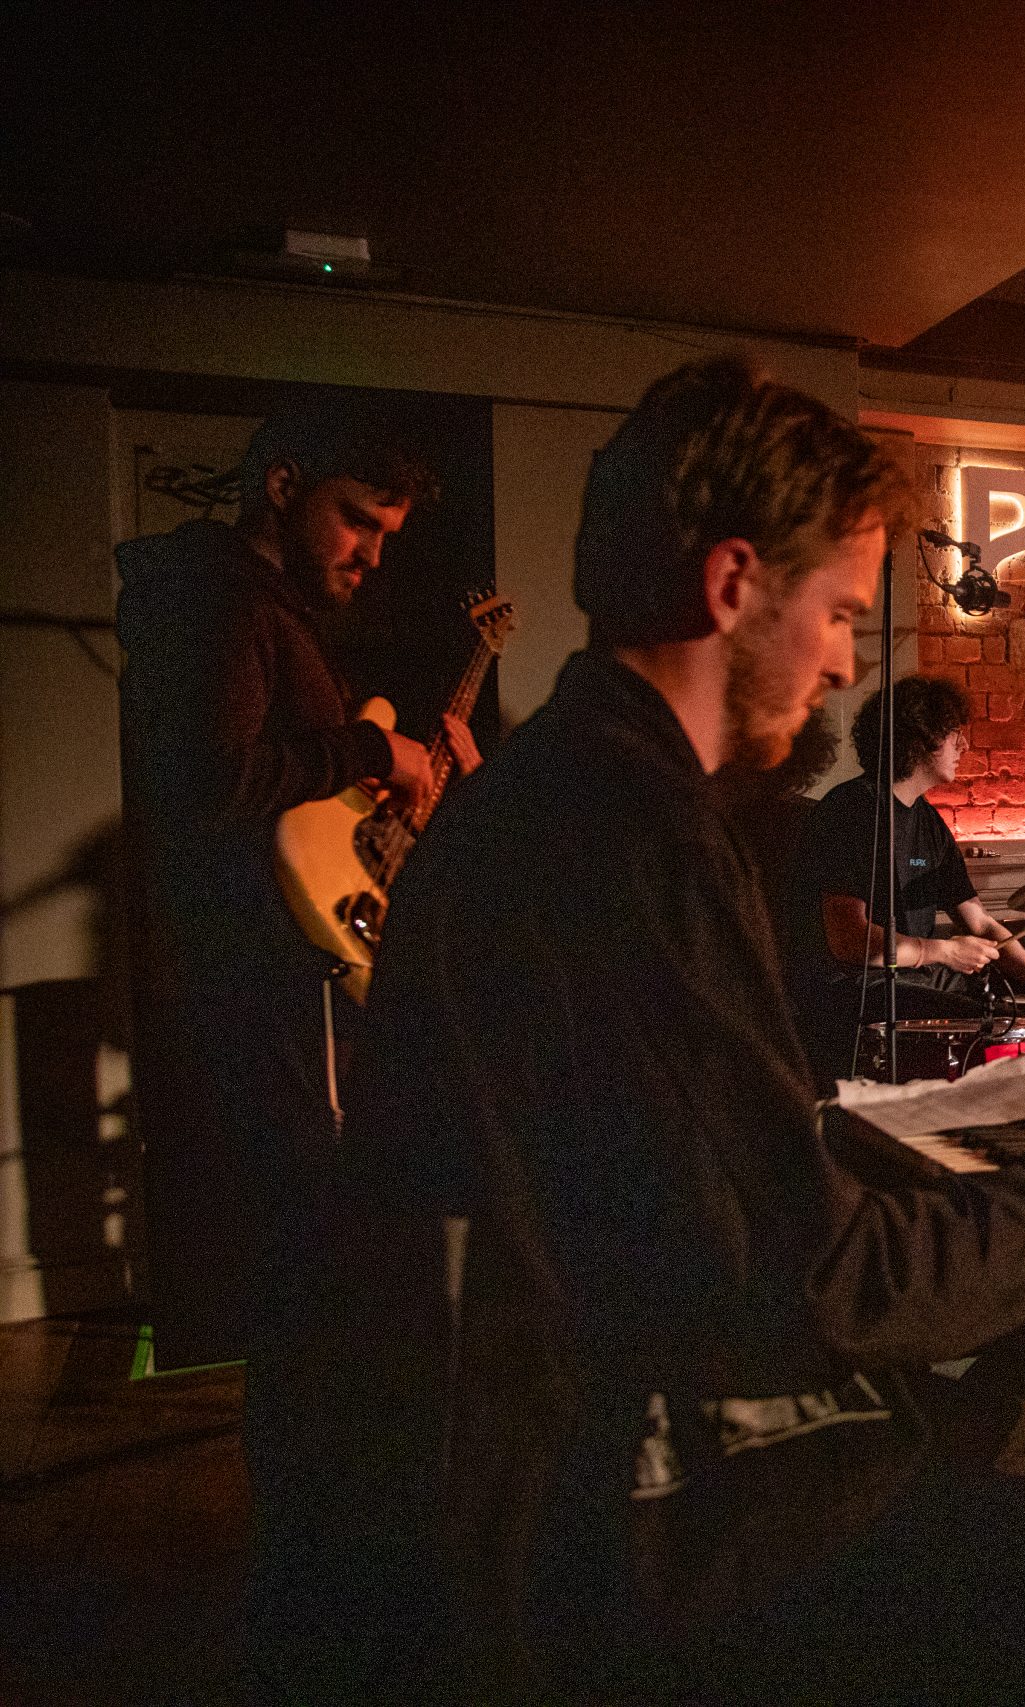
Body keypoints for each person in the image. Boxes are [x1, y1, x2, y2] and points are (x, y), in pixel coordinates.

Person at [327, 357, 1025, 1704]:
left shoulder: (536, 795)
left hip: (545, 1441)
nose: (849, 661)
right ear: (734, 583)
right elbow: (819, 1281)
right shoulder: (640, 838)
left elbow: (684, 1178)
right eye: (843, 612)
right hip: (635, 1514)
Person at [113, 393, 471, 1680]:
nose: (370, 554)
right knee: (315, 1294)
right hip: (262, 1004)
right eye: (355, 520)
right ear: (281, 486)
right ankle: (324, 1595)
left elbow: (291, 815)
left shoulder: (259, 611)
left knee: (323, 1300)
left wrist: (395, 774)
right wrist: (367, 743)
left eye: (387, 534)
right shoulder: (219, 604)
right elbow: (211, 784)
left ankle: (325, 1574)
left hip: (289, 993)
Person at [787, 673, 1025, 1079]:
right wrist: (945, 952)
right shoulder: (851, 811)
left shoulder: (928, 822)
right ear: (919, 739)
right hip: (858, 990)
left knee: (1018, 1015)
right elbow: (849, 940)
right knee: (984, 1028)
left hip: (917, 981)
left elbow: (981, 924)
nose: (964, 746)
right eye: (953, 734)